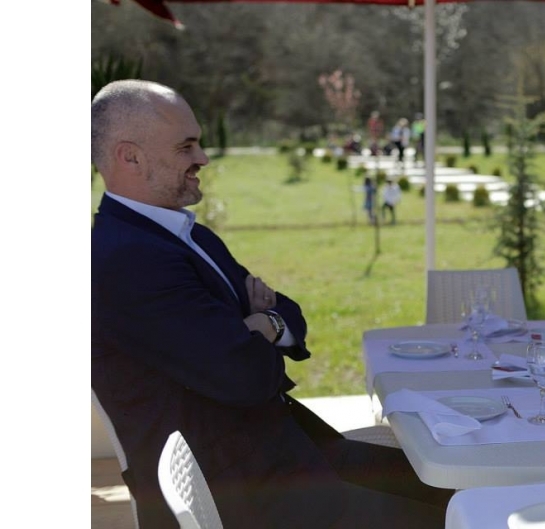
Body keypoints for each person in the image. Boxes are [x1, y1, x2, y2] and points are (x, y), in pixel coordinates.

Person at [91, 80, 452, 529]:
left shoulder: (189, 235)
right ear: (130, 157)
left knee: (457, 489)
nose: (203, 157)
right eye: (186, 147)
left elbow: (289, 314)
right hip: (244, 492)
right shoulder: (127, 259)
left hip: (289, 454)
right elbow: (244, 375)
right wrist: (262, 326)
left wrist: (259, 325)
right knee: (460, 517)